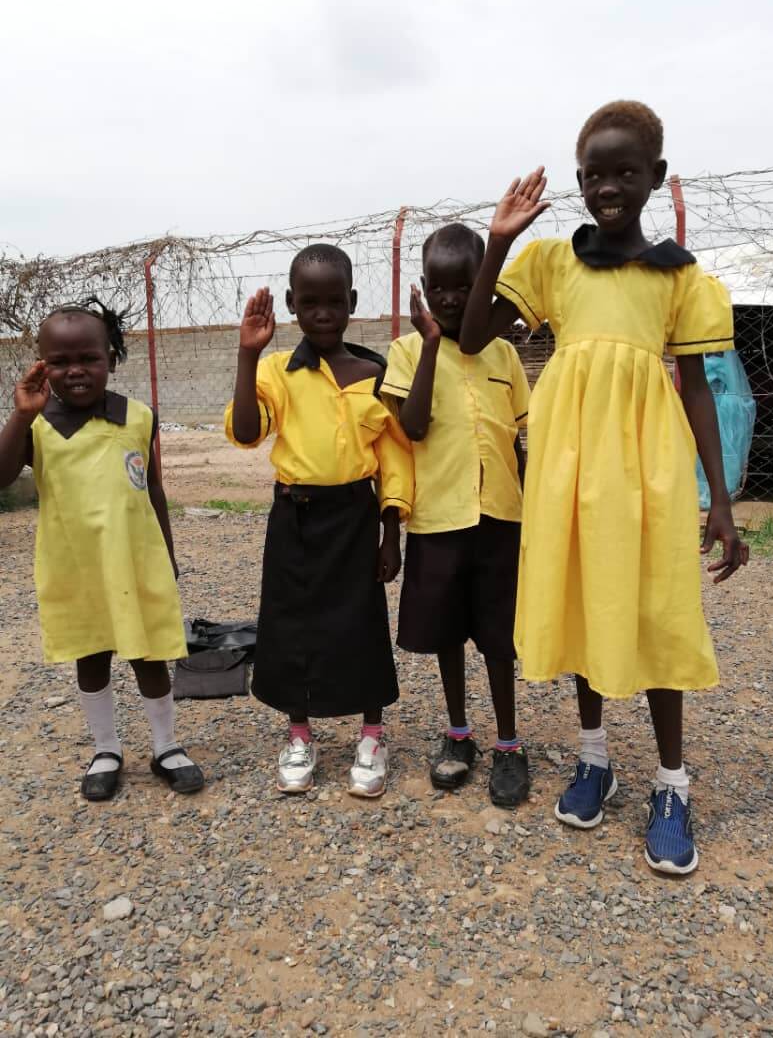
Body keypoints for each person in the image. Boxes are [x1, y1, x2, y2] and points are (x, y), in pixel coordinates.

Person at [460, 101, 749, 873]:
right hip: (567, 462)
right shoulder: (552, 264)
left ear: (655, 177)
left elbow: (693, 388)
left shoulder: (681, 279)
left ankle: (671, 785)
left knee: (653, 606)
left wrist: (719, 500)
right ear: (581, 182)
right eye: (595, 174)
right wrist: (497, 241)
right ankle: (593, 759)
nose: (609, 187)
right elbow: (471, 335)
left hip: (647, 464)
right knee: (586, 596)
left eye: (626, 172)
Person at [224, 244, 413, 798]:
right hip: (296, 517)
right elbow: (245, 431)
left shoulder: (374, 373)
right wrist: (244, 355)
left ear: (352, 302)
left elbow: (395, 458)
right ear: (291, 305)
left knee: (362, 624)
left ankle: (372, 736)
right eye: (310, 302)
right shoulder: (276, 372)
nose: (323, 312)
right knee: (290, 626)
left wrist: (391, 530)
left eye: (334, 300)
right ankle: (299, 735)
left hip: (355, 516)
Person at [0, 299, 204, 801]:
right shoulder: (38, 423)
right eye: (59, 361)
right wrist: (19, 417)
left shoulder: (138, 417)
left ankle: (166, 746)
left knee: (149, 655)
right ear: (41, 364)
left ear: (111, 358)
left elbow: (152, 490)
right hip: (75, 568)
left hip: (136, 562)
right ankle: (106, 749)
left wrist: (169, 555)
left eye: (88, 358)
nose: (74, 371)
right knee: (90, 655)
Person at [380, 223, 531, 808]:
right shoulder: (406, 350)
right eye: (438, 287)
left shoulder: (505, 354)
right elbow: (412, 426)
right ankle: (458, 733)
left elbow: (519, 436)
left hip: (499, 518)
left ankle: (510, 744)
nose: (448, 298)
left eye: (463, 287)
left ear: (484, 287)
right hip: (438, 519)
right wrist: (432, 345)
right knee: (448, 633)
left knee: (498, 637)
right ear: (423, 286)